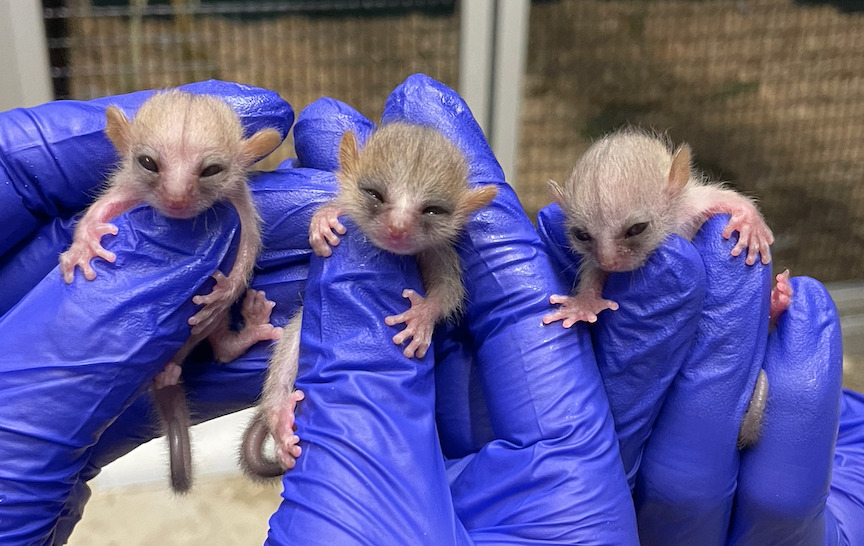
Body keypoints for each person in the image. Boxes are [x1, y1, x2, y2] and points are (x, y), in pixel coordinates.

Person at [0, 75, 860, 545]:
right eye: (374, 202)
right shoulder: (319, 206)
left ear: (481, 209)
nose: (401, 228)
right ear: (344, 175)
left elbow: (446, 285)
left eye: (434, 216)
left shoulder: (516, 241)